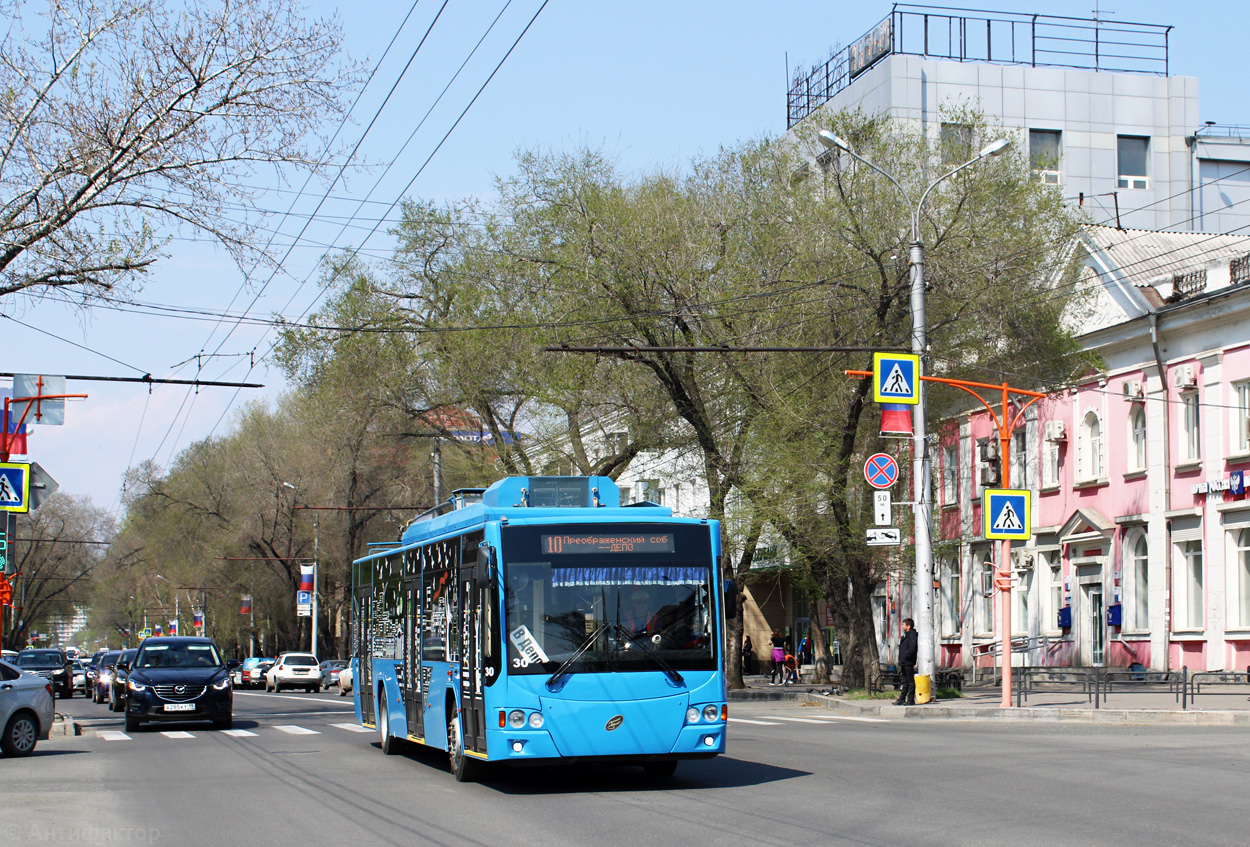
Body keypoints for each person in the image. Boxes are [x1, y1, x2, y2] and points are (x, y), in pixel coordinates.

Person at [894, 617, 918, 706]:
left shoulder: (912, 635)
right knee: (904, 681)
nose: (902, 627)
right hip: (904, 661)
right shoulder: (905, 635)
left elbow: (912, 647)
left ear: (909, 626)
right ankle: (902, 698)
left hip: (908, 661)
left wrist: (906, 656)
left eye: (903, 625)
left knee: (910, 681)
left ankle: (911, 699)